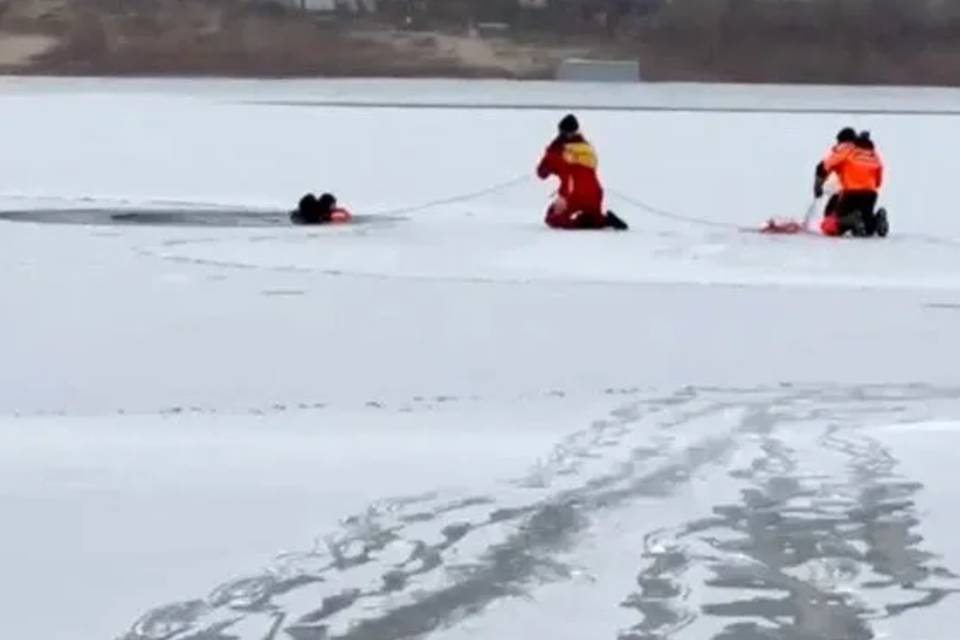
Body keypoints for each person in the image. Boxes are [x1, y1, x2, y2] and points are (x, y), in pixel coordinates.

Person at [536, 114, 628, 231]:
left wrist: (550, 166)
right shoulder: (587, 148)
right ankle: (602, 220)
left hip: (573, 194)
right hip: (596, 193)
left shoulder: (557, 151)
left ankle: (585, 222)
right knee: (594, 218)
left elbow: (541, 173)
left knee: (552, 218)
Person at [815, 130, 888, 237]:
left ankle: (852, 220)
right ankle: (876, 221)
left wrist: (818, 187)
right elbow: (878, 181)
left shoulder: (846, 149)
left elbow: (823, 167)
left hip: (851, 193)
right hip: (870, 194)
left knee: (830, 225)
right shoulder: (872, 153)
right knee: (867, 225)